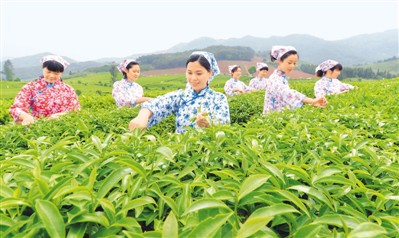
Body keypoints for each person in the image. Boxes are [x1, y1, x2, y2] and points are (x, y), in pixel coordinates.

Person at [129, 51, 230, 133]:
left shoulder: (219, 98)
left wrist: (209, 124)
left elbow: (224, 127)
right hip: (181, 154)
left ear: (210, 73)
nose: (193, 78)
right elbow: (158, 103)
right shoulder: (181, 96)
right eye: (189, 73)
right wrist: (143, 115)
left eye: (199, 73)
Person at [9, 55, 80, 125]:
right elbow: (17, 107)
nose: (52, 76)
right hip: (38, 127)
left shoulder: (68, 89)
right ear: (43, 69)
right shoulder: (31, 87)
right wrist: (26, 117)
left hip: (63, 127)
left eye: (56, 73)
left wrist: (61, 115)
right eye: (48, 72)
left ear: (61, 73)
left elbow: (75, 110)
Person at [263, 46, 327, 113]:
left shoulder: (282, 78)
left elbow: (286, 101)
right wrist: (312, 101)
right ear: (279, 60)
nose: (292, 66)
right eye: (289, 63)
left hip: (279, 117)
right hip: (272, 119)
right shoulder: (274, 79)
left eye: (294, 63)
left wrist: (312, 104)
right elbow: (287, 94)